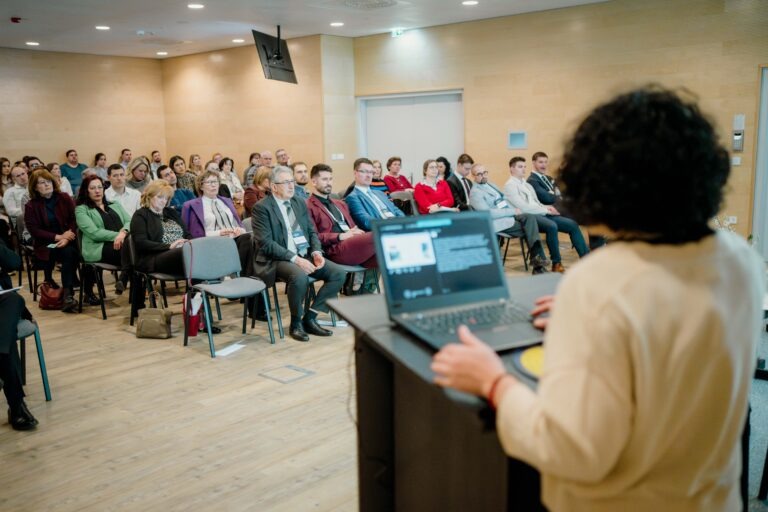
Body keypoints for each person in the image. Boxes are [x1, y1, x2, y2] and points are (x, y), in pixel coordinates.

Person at [431, 86, 763, 512]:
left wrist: (494, 382)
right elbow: (671, 340)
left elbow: (570, 450)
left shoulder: (600, 283)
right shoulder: (739, 258)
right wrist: (594, 321)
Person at [251, 166, 346, 342]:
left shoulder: (299, 202)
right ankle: (296, 323)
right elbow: (266, 244)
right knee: (299, 276)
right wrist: (296, 259)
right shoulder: (262, 208)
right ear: (274, 187)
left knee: (338, 273)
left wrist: (316, 252)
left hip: (303, 253)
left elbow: (311, 231)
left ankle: (310, 318)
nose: (291, 186)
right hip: (277, 258)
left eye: (292, 181)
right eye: (286, 182)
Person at [504, 156, 589, 272]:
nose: (523, 169)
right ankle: (556, 263)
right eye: (520, 167)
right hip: (528, 217)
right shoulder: (510, 186)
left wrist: (547, 207)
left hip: (540, 212)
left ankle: (586, 259)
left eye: (524, 166)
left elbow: (537, 203)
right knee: (551, 226)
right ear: (511, 169)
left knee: (572, 224)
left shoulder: (526, 185)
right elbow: (524, 208)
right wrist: (546, 210)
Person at [469, 163, 550, 274]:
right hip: (498, 222)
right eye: (479, 174)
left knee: (530, 217)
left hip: (509, 215)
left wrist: (515, 209)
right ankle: (538, 264)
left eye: (485, 172)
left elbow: (504, 200)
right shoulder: (475, 193)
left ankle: (537, 261)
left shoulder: (491, 185)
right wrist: (512, 211)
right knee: (531, 228)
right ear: (473, 176)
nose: (483, 176)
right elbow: (488, 213)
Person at [24, 169, 80, 312]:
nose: (46, 184)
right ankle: (63, 291)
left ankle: (67, 294)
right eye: (41, 182)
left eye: (48, 181)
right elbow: (34, 230)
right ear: (35, 187)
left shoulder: (64, 197)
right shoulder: (31, 205)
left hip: (68, 239)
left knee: (69, 252)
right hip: (46, 243)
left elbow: (75, 218)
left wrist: (67, 236)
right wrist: (58, 237)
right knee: (65, 252)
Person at [0, 223, 38, 430]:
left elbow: (14, 262)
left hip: (3, 299)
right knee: (6, 337)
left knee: (15, 300)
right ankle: (17, 406)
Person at [129, 181, 190, 310]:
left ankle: (194, 304)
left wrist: (191, 242)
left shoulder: (171, 212)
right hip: (156, 257)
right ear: (149, 196)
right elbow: (141, 243)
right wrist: (169, 246)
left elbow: (187, 234)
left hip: (181, 255)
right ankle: (194, 307)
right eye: (160, 197)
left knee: (199, 253)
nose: (163, 201)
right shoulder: (141, 215)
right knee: (192, 258)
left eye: (166, 198)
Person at [307, 164, 376, 268]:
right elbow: (314, 237)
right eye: (324, 179)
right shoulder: (308, 206)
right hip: (334, 249)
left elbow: (352, 227)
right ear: (314, 182)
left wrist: (356, 231)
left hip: (351, 243)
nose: (329, 183)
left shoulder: (340, 203)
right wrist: (340, 236)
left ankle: (370, 280)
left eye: (330, 179)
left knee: (387, 255)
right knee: (379, 234)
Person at [75, 174, 132, 299]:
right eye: (92, 188)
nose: (97, 191)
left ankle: (124, 278)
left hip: (122, 243)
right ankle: (129, 282)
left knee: (136, 250)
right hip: (98, 247)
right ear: (86, 191)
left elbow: (130, 221)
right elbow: (94, 233)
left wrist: (123, 233)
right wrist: (119, 236)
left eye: (99, 187)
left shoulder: (115, 204)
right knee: (134, 252)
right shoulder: (81, 210)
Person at [181, 171, 246, 240]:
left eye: (215, 181)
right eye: (209, 182)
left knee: (248, 237)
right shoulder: (190, 205)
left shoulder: (227, 201)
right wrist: (218, 233)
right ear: (201, 186)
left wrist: (240, 230)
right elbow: (189, 234)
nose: (213, 185)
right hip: (211, 241)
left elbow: (238, 223)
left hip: (234, 238)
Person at [345, 158, 405, 231]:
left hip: (397, 227)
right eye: (364, 171)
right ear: (355, 173)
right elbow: (366, 221)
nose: (368, 175)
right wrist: (391, 226)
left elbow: (397, 211)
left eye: (371, 172)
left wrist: (403, 223)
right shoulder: (353, 197)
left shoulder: (380, 193)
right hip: (382, 230)